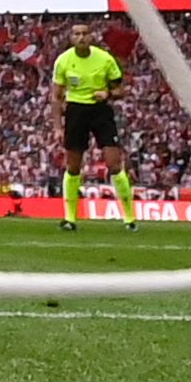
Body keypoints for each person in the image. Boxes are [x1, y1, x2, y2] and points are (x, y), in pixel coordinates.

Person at [49, 21, 134, 230]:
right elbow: (57, 96)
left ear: (91, 37)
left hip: (100, 110)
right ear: (71, 38)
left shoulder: (105, 59)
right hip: (76, 111)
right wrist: (58, 127)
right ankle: (70, 218)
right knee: (73, 166)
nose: (81, 37)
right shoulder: (64, 61)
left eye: (84, 34)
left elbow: (121, 90)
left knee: (114, 164)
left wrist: (108, 94)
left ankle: (130, 218)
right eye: (76, 34)